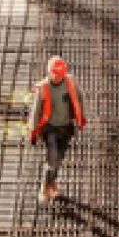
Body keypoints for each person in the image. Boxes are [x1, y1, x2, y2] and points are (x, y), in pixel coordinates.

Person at [28, 56, 87, 202]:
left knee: (59, 160)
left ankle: (52, 184)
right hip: (50, 129)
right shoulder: (43, 88)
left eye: (60, 75)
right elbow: (35, 111)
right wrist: (33, 131)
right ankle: (44, 187)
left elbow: (79, 99)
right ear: (49, 73)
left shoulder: (70, 82)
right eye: (55, 74)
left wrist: (80, 118)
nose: (57, 77)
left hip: (66, 128)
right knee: (52, 160)